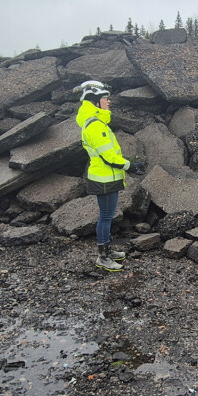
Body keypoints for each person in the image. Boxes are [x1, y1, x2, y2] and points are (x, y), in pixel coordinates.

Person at [74, 80, 144, 272]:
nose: (108, 101)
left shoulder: (96, 122)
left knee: (108, 216)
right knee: (105, 217)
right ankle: (103, 257)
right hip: (103, 178)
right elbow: (108, 157)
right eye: (105, 98)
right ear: (95, 100)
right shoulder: (95, 125)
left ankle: (108, 251)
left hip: (107, 177)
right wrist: (130, 165)